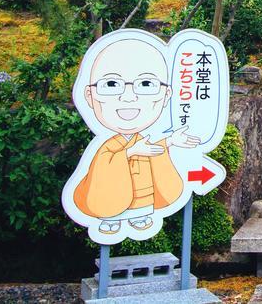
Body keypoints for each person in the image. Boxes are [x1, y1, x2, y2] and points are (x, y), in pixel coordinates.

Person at [71, 39, 199, 235]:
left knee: (142, 198)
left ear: (166, 94)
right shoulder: (109, 143)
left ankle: (139, 215)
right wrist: (130, 152)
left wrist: (171, 140)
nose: (128, 97)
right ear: (89, 94)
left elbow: (155, 148)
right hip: (114, 192)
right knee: (110, 193)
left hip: (142, 194)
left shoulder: (142, 138)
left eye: (146, 83)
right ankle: (110, 217)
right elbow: (103, 164)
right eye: (112, 84)